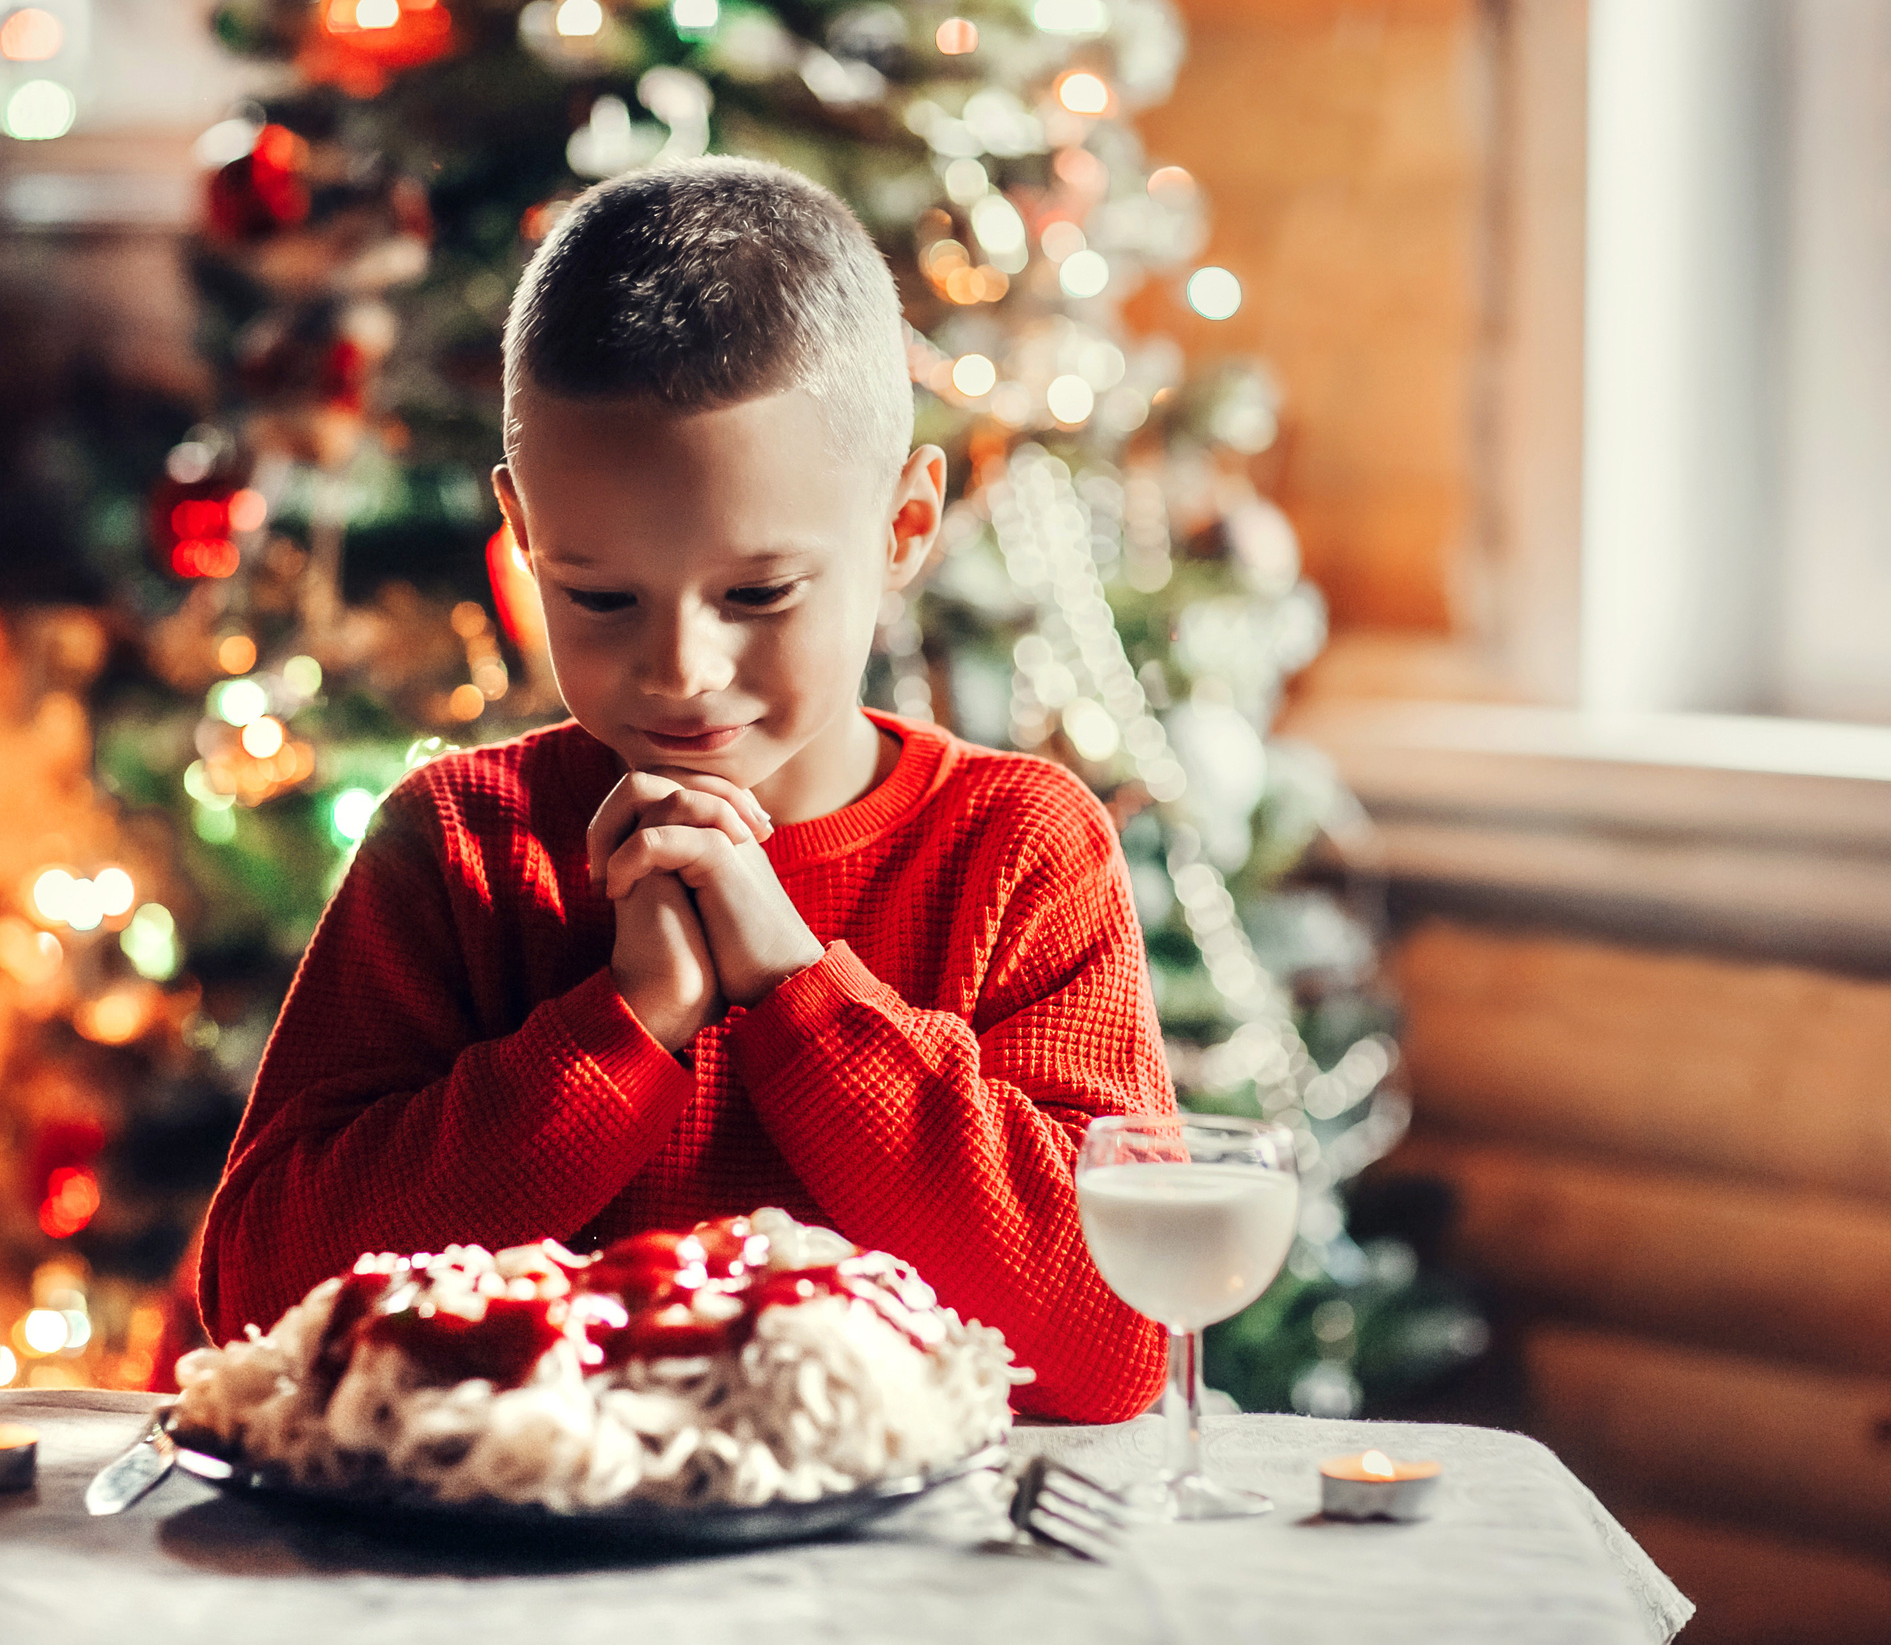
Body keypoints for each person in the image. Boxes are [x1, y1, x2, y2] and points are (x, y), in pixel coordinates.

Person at [198, 156, 1167, 1422]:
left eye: (758, 594)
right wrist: (622, 1025)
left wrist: (799, 994)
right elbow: (264, 1306)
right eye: (598, 596)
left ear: (903, 530)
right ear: (522, 535)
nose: (679, 671)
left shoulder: (1021, 847)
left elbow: (1112, 1344)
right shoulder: (456, 846)